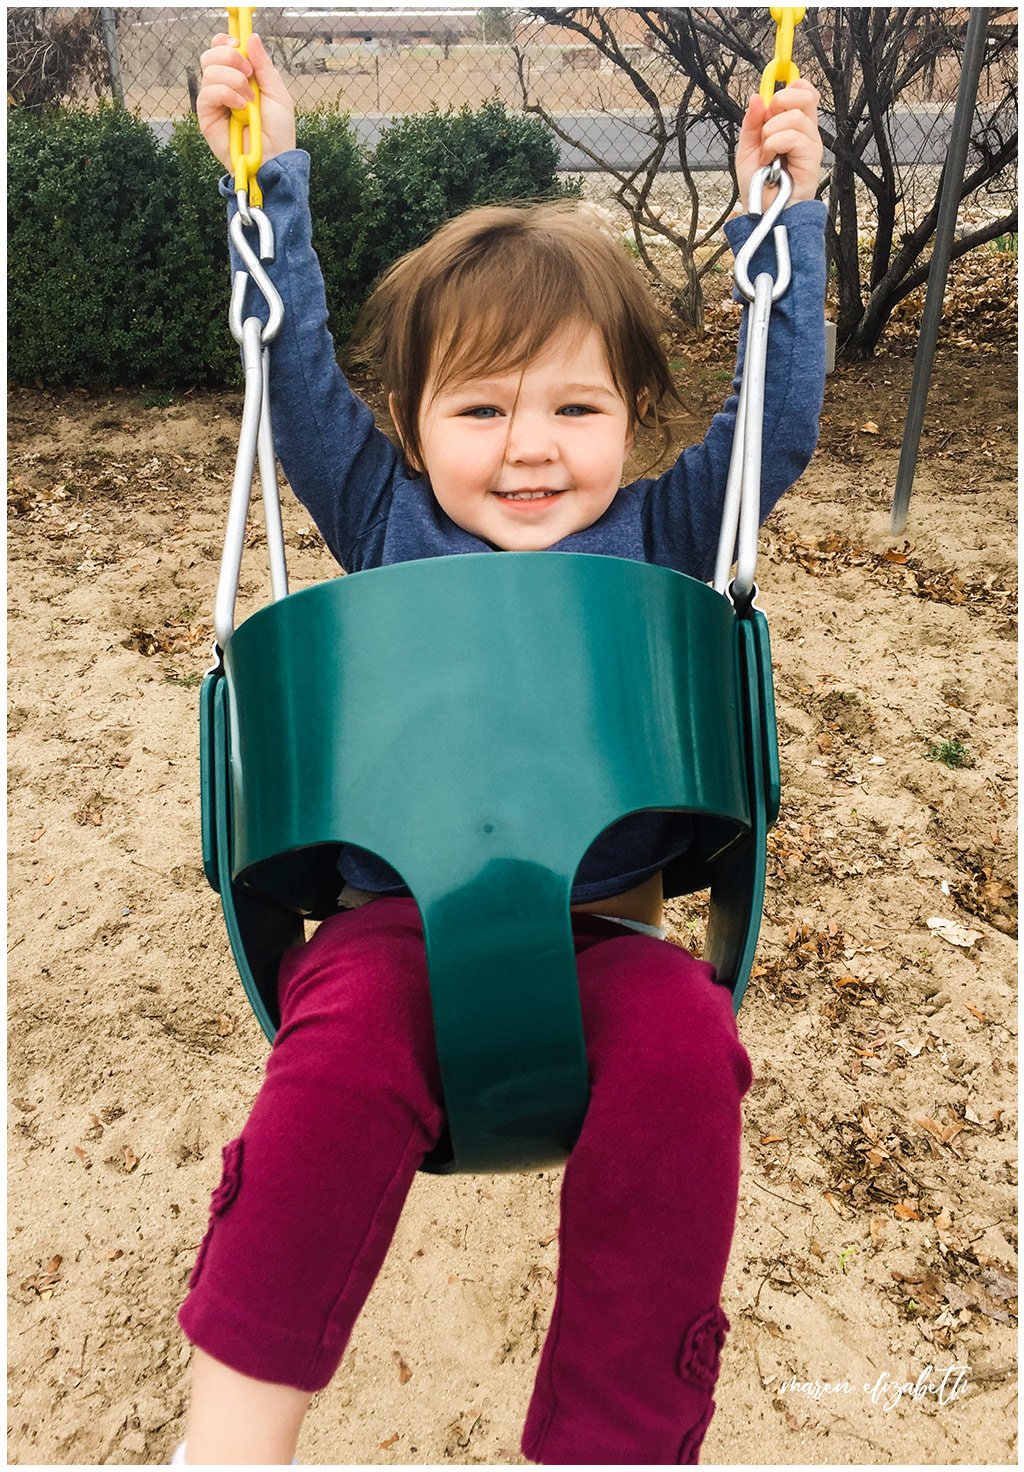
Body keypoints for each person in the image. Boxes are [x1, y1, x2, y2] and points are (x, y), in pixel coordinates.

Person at [176, 31, 826, 1466]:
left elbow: (772, 427)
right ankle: (231, 1439)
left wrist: (789, 220)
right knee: (335, 1061)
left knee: (687, 1051)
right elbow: (289, 370)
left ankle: (612, 1442)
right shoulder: (382, 516)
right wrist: (270, 170)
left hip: (605, 943)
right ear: (410, 430)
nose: (529, 449)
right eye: (480, 410)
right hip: (390, 931)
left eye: (575, 408)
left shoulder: (664, 534)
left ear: (632, 425)